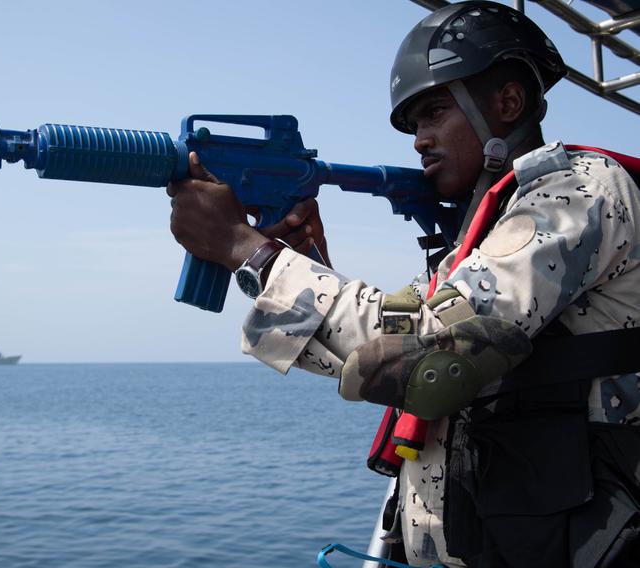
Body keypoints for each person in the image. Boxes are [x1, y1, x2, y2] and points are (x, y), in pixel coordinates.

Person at [167, 2, 640, 566]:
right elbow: (377, 355)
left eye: (434, 113)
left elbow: (432, 352)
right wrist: (294, 261)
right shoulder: (479, 238)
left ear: (508, 103)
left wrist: (247, 249)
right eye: (414, 125)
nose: (419, 140)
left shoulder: (580, 194)